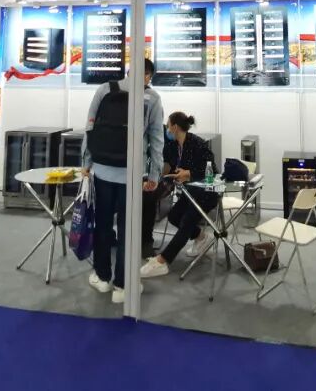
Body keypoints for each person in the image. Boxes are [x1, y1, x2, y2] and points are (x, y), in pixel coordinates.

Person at [82, 58, 163, 303]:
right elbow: (156, 139)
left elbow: (90, 127)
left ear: (128, 71)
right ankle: (123, 286)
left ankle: (102, 278)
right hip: (132, 174)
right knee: (129, 229)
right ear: (148, 75)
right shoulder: (152, 99)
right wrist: (154, 173)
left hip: (103, 171)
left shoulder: (104, 89)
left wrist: (86, 163)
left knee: (103, 224)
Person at [139, 112, 219, 279]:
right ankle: (201, 238)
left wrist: (188, 174)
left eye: (168, 125)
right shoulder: (173, 146)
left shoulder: (197, 143)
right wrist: (153, 179)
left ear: (175, 127)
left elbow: (212, 170)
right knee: (174, 216)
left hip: (207, 193)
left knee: (186, 222)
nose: (167, 129)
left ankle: (162, 261)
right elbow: (167, 166)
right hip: (190, 192)